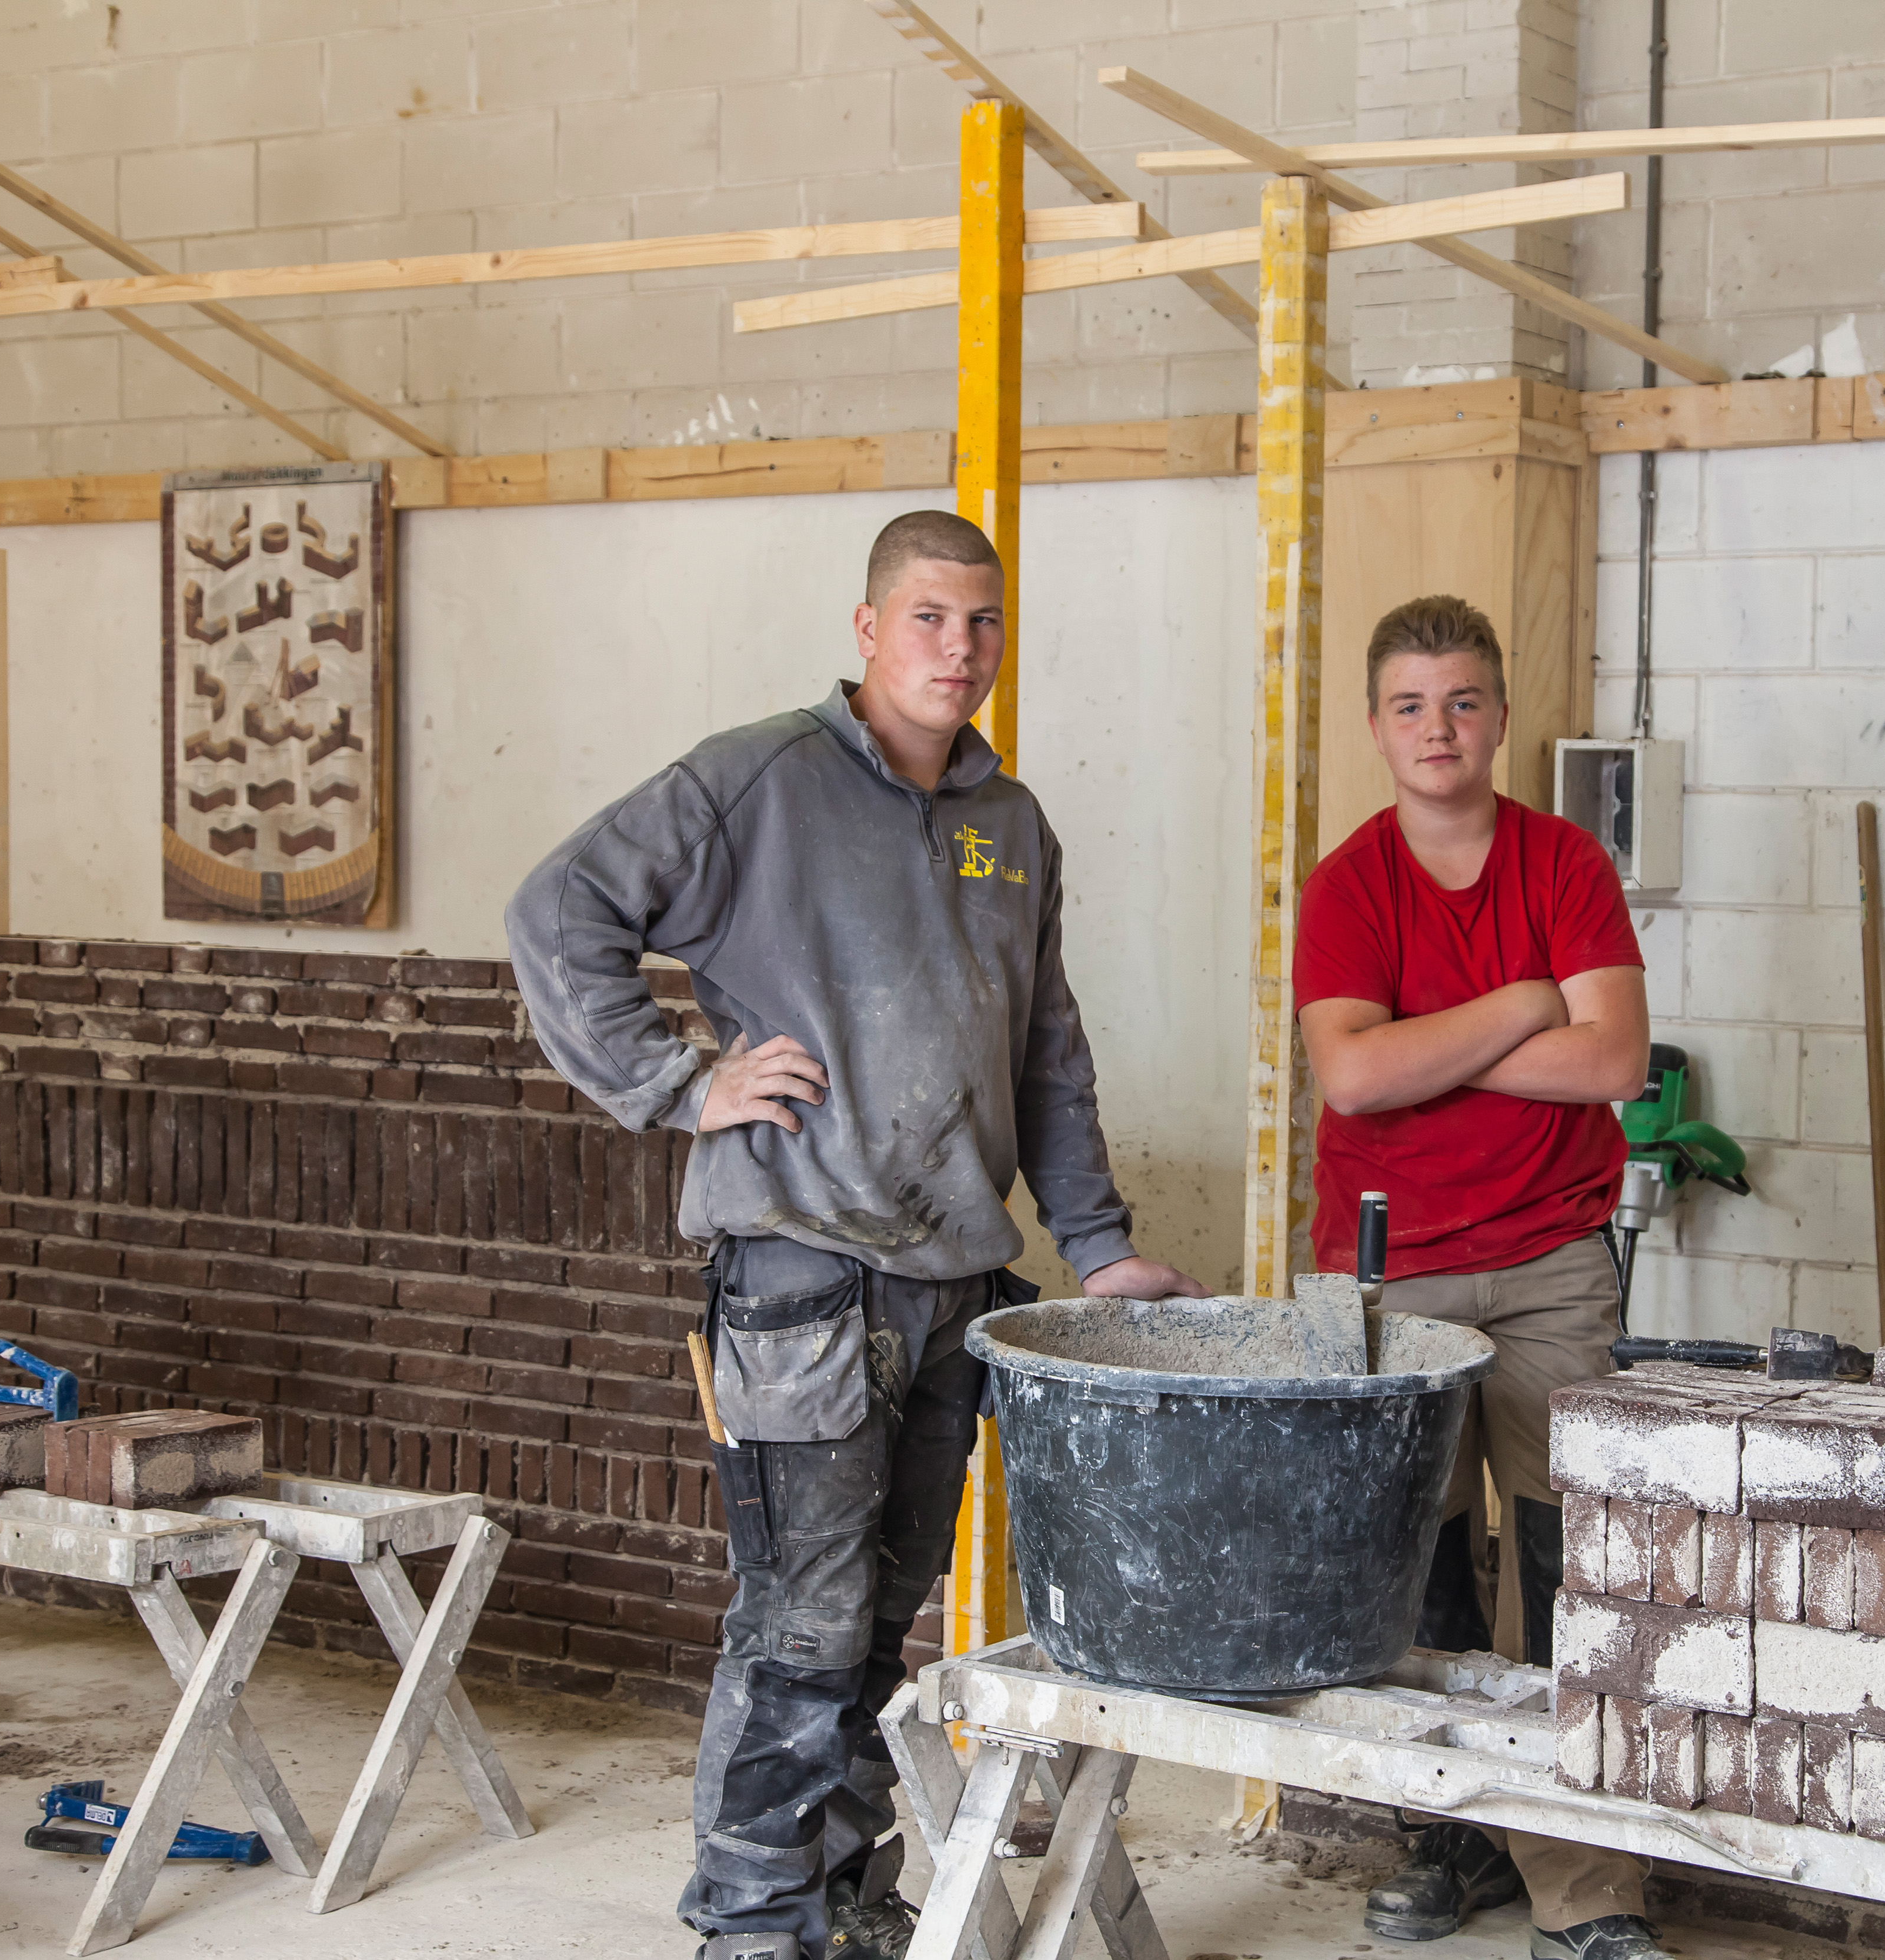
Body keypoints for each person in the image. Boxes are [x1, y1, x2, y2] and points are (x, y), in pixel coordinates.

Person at [506, 509, 1203, 1960]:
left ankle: (838, 1899)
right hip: (802, 1273)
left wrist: (1099, 1243)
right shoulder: (758, 779)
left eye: (984, 624)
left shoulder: (1012, 827)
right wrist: (681, 1082)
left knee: (880, 1621)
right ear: (868, 627)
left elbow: (1046, 1056)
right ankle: (753, 1926)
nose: (959, 649)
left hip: (952, 1283)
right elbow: (557, 909)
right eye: (931, 618)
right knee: (802, 1620)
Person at [1292, 596, 1667, 1960]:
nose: (1437, 728)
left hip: (1553, 1265)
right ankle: (1448, 1840)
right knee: (1422, 1571)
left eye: (1461, 701)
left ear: (1499, 717)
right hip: (1395, 1278)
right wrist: (1521, 1004)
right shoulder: (1349, 886)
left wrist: (1426, 1044)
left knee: (1577, 1564)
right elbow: (1351, 1071)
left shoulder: (1564, 862)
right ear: (1379, 727)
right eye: (1409, 705)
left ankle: (1587, 1882)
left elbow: (1613, 1061)